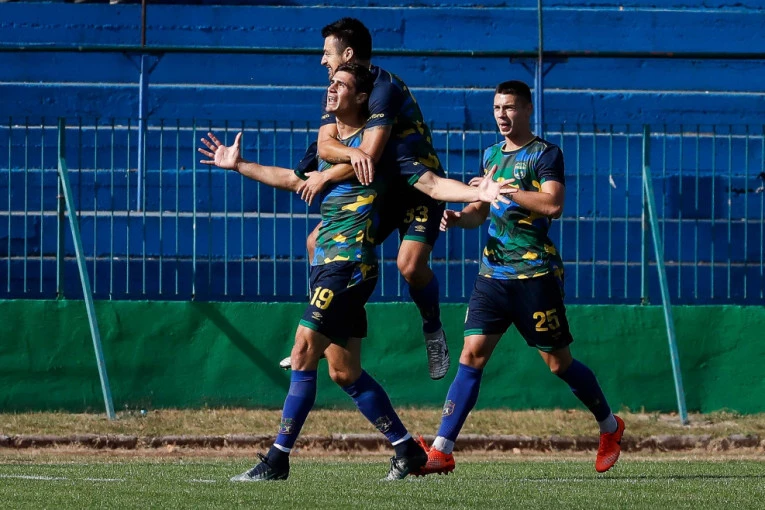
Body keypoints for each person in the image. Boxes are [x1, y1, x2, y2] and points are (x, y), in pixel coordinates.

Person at [198, 64, 513, 482]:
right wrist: (239, 165)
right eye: (331, 83)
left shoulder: (383, 153)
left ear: (362, 97)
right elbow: (293, 180)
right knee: (343, 371)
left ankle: (277, 460)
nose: (331, 88)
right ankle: (406, 449)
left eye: (341, 84)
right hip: (327, 265)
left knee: (304, 349)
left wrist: (477, 192)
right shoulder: (330, 148)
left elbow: (432, 185)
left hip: (348, 267)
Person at [413, 80, 625, 477]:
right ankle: (442, 450)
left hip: (535, 276)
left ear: (527, 109)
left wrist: (503, 190)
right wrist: (459, 218)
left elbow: (553, 204)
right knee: (471, 354)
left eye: (510, 107)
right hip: (492, 275)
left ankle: (610, 427)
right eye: (497, 108)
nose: (502, 115)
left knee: (558, 364)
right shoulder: (492, 154)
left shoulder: (545, 154)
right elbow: (481, 210)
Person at [281, 17, 452, 380]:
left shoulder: (383, 89)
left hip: (416, 187)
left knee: (409, 266)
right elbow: (326, 145)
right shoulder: (339, 89)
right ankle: (323, 325)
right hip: (380, 190)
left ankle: (433, 327)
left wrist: (327, 173)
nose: (322, 60)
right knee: (316, 241)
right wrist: (339, 158)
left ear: (348, 54)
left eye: (327, 53)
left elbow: (368, 156)